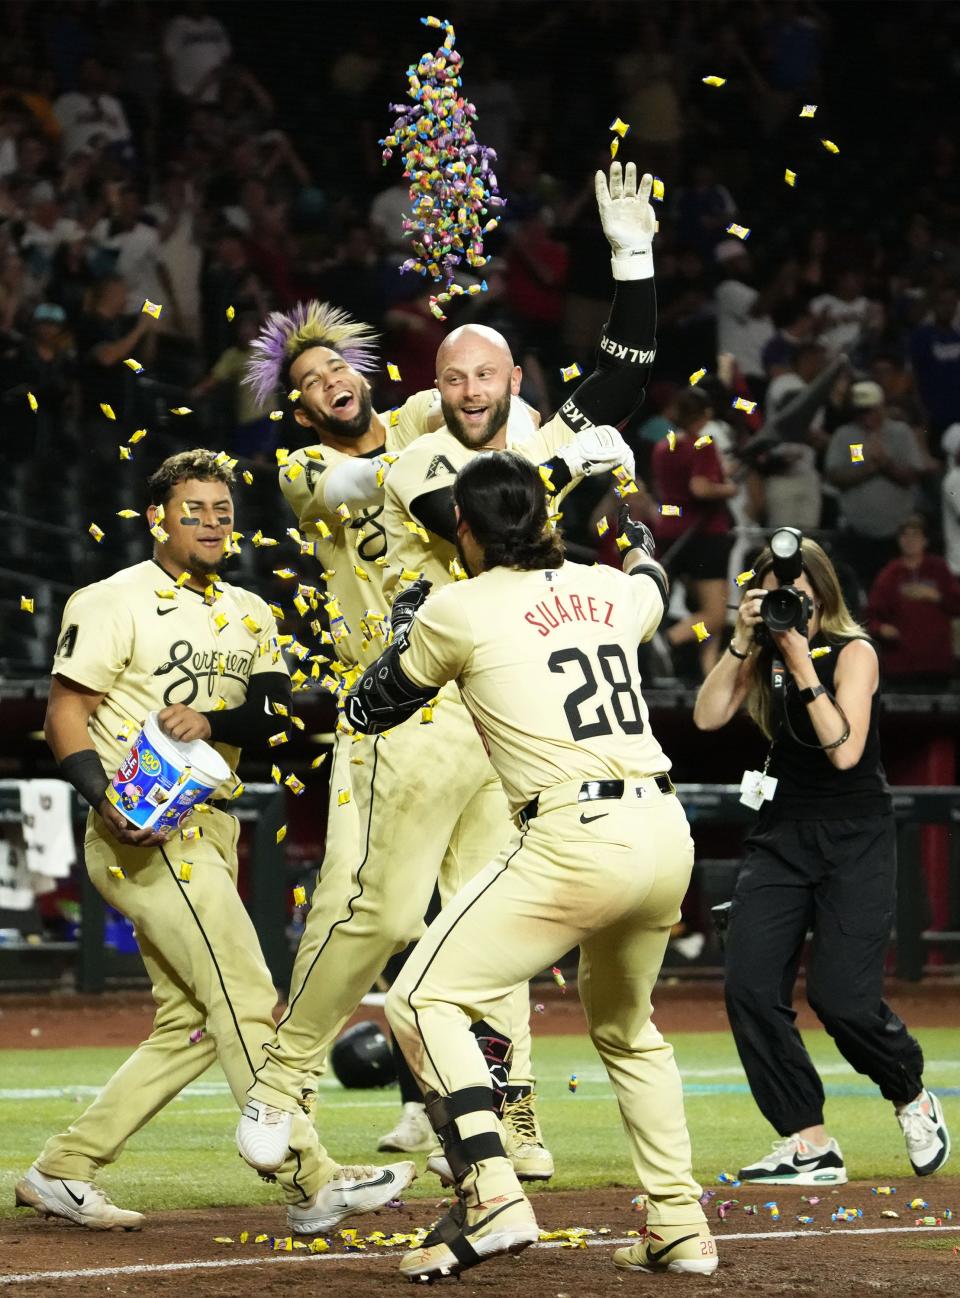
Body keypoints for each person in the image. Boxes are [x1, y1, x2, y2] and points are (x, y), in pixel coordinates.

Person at [236, 160, 655, 1182]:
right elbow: (427, 494)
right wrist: (569, 459)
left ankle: (498, 1110)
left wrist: (633, 267)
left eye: (334, 366)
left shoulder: (439, 413)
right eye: (305, 382)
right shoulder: (347, 463)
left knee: (487, 907)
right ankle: (283, 1082)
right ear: (300, 407)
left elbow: (590, 387)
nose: (325, 381)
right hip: (397, 705)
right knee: (372, 907)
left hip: (489, 701)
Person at [15, 449, 413, 1234]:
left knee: (193, 1024)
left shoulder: (251, 610)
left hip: (213, 823)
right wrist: (103, 800)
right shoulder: (111, 599)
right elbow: (66, 712)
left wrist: (216, 722)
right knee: (244, 995)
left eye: (221, 511)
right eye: (191, 509)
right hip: (142, 826)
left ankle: (64, 1168)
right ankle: (310, 1178)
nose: (208, 522)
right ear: (157, 516)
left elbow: (270, 719)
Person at [344, 451, 716, 1281]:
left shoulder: (459, 605)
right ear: (545, 522)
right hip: (664, 833)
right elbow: (649, 566)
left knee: (421, 997)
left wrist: (407, 626)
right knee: (628, 1030)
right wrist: (638, 532)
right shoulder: (615, 591)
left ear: (467, 532)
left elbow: (367, 707)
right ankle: (680, 1227)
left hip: (574, 836)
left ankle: (494, 1191)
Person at [692, 533, 950, 1187]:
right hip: (782, 833)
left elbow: (843, 749)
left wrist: (803, 660)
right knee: (749, 985)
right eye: (778, 596)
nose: (790, 607)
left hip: (854, 833)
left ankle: (910, 1091)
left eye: (800, 594)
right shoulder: (762, 648)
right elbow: (706, 716)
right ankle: (809, 1143)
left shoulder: (854, 651)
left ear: (823, 591)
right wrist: (745, 640)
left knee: (842, 998)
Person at [650, 387, 738, 676]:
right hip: (704, 536)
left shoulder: (663, 446)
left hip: (668, 531)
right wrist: (729, 488)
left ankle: (708, 673)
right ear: (706, 414)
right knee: (714, 615)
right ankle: (669, 640)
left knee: (703, 610)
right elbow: (699, 487)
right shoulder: (702, 445)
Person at [825, 379, 925, 594]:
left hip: (896, 532)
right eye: (861, 411)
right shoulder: (847, 435)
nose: (865, 416)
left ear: (881, 407)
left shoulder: (900, 433)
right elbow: (835, 475)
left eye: (870, 410)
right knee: (861, 587)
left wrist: (886, 464)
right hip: (858, 532)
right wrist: (869, 467)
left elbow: (912, 474)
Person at [867, 514, 960, 689]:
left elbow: (957, 605)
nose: (910, 540)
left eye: (915, 535)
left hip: (937, 664)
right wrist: (882, 629)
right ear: (899, 540)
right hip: (900, 666)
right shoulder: (889, 574)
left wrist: (937, 596)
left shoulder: (939, 569)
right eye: (905, 535)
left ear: (925, 540)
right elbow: (871, 617)